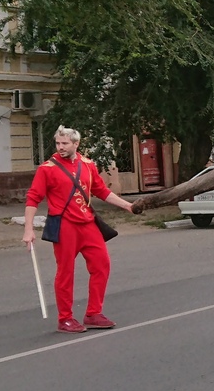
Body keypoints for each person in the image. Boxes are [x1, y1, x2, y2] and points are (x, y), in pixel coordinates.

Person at [23, 126, 136, 333]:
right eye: (58, 143)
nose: (60, 147)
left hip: (88, 223)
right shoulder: (47, 168)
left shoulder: (88, 165)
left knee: (102, 265)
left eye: (65, 143)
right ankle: (65, 318)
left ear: (76, 144)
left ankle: (94, 313)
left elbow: (101, 190)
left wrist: (127, 205)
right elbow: (33, 198)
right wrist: (28, 229)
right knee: (65, 272)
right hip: (64, 226)